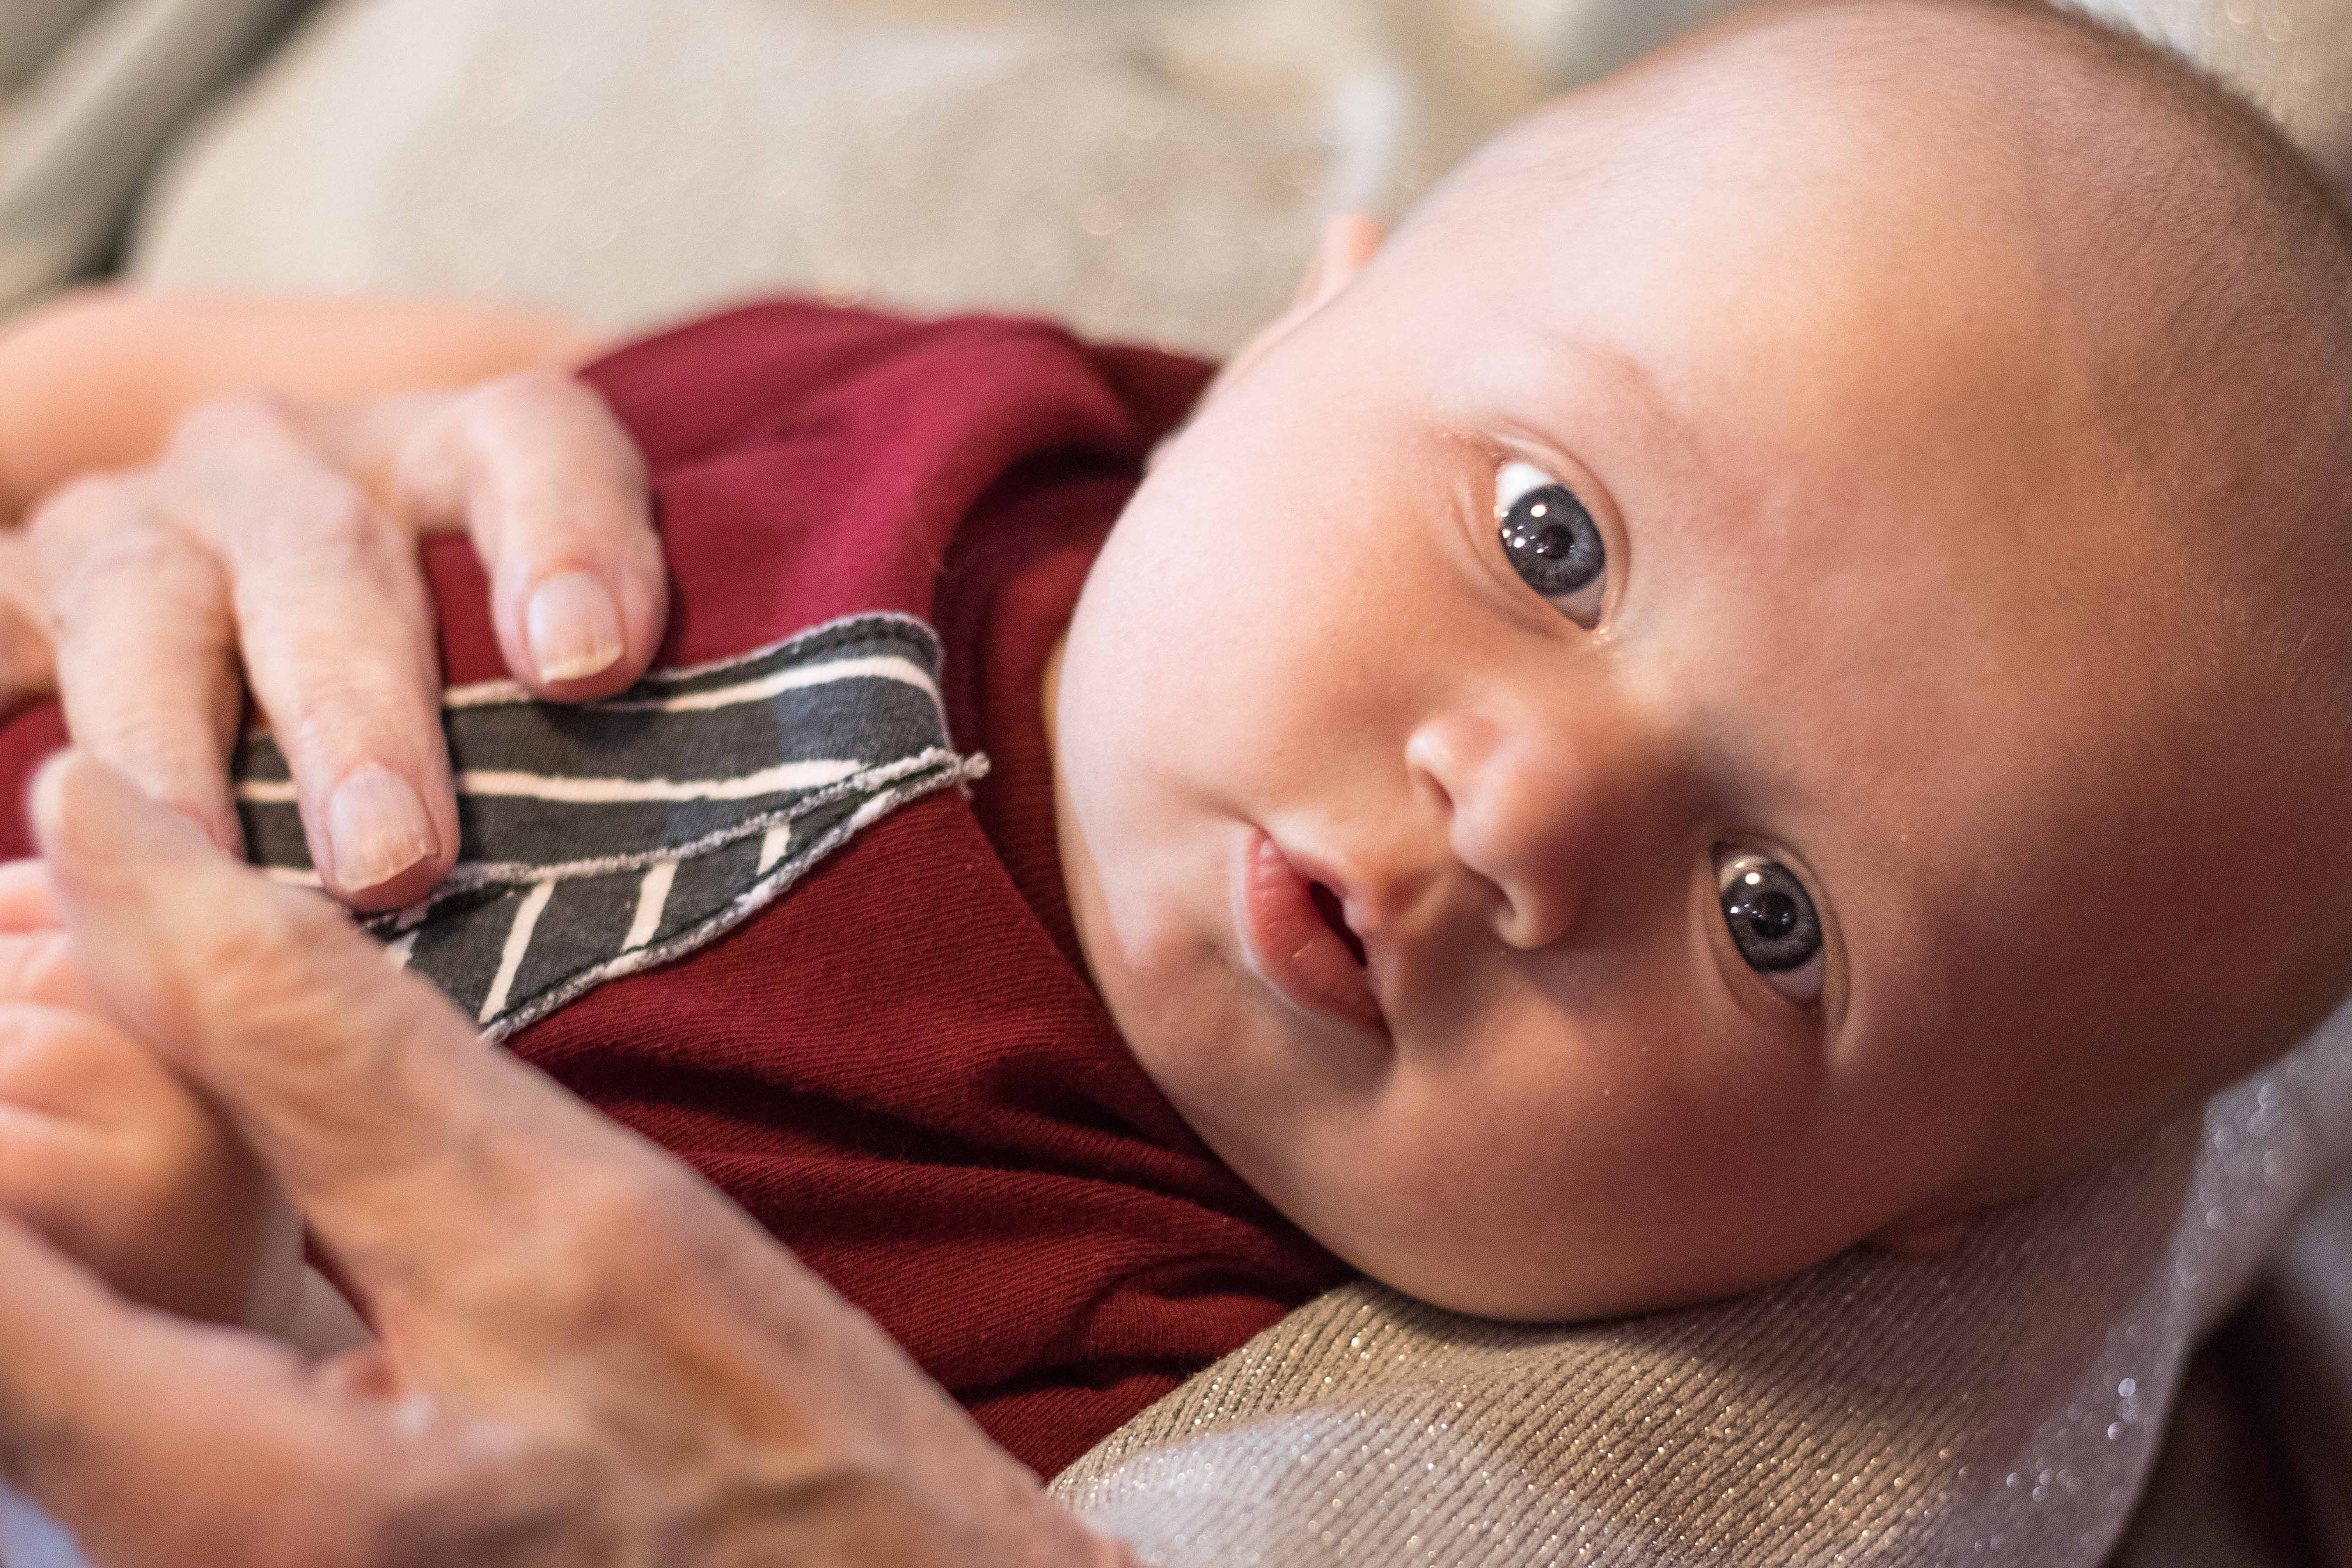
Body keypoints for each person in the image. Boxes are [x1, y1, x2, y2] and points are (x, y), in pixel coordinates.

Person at [2, 0, 2351, 1558]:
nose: (1529, 819)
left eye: (1780, 918)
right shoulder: (967, 416)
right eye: (1551, 532)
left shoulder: (1138, 1347)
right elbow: (166, 401)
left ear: (1897, 1224)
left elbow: (492, 1486)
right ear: (1323, 308)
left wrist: (240, 1304)